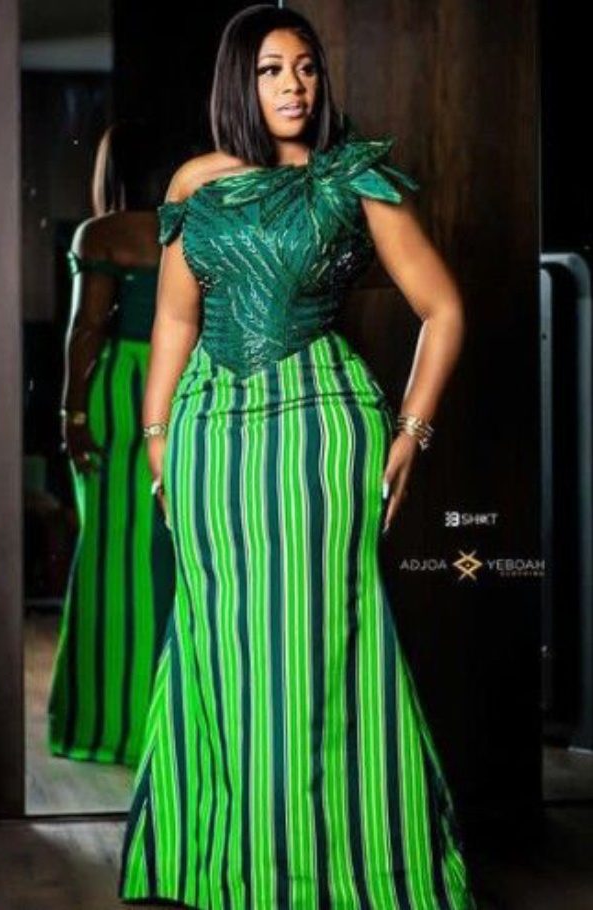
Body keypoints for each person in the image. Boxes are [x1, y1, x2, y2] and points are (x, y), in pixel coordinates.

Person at [118, 5, 479, 908]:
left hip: (319, 434)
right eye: (271, 70)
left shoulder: (354, 177)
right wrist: (157, 443)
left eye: (306, 67)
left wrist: (411, 434)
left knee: (317, 647)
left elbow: (443, 310)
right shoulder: (195, 180)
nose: (293, 86)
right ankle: (222, 863)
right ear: (237, 83)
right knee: (217, 642)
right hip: (207, 438)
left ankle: (332, 867)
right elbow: (174, 322)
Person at [47, 121, 176, 767]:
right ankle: (167, 724)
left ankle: (106, 725)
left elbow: (85, 329)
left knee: (107, 554)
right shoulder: (199, 226)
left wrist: (71, 411)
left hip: (122, 390)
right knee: (173, 557)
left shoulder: (101, 233)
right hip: (185, 388)